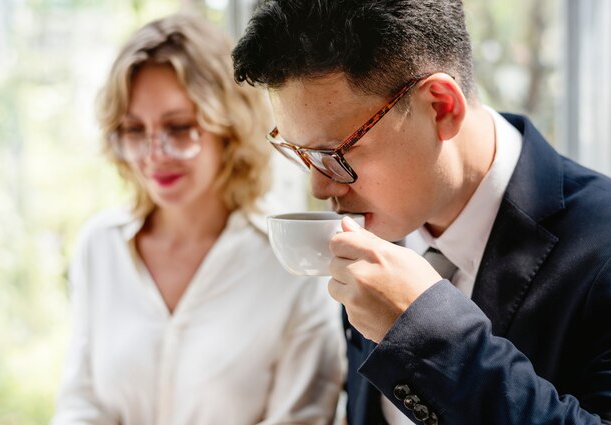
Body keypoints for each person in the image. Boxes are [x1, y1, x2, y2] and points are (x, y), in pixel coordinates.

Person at [231, 1, 611, 424]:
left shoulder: (602, 248)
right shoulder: (378, 226)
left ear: (441, 106)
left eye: (335, 153)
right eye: (302, 153)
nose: (320, 186)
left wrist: (424, 329)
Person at [51, 13, 343, 425]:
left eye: (178, 127)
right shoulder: (99, 245)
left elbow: (301, 419)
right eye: (135, 130)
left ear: (229, 126)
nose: (155, 153)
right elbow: (80, 406)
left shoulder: (293, 264)